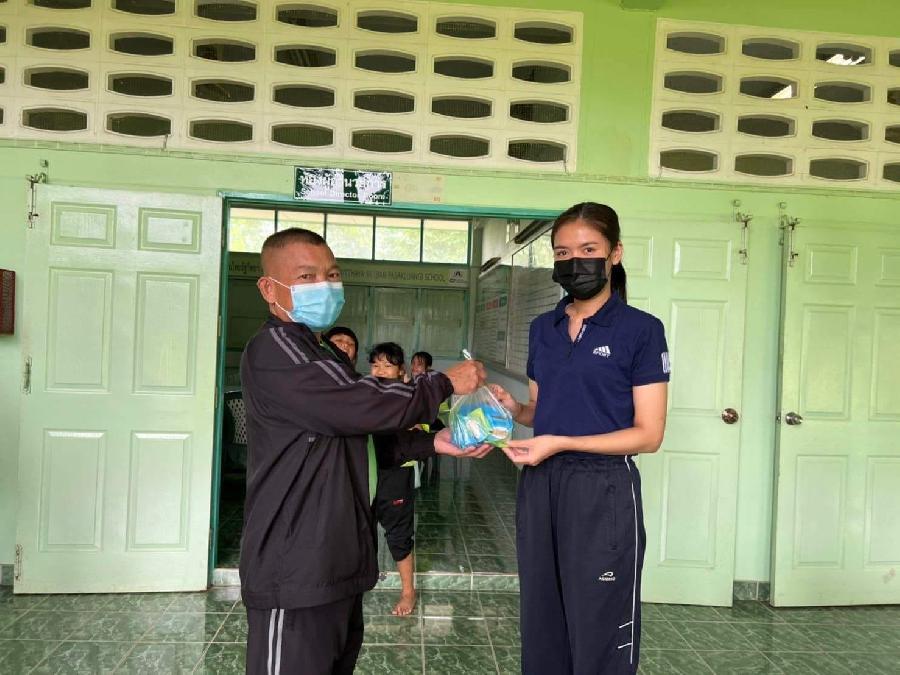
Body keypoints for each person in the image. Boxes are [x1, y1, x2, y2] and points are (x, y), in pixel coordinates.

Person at [240, 227, 490, 675]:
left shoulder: (320, 351)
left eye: (332, 274)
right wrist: (442, 383)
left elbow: (358, 438)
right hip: (294, 567)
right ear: (268, 288)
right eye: (306, 276)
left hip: (335, 560)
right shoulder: (275, 351)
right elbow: (359, 405)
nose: (324, 286)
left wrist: (433, 441)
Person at [490, 202, 670, 675]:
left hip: (603, 490)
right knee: (542, 616)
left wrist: (562, 443)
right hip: (541, 485)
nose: (575, 261)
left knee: (599, 622)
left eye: (589, 250)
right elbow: (542, 410)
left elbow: (649, 435)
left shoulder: (641, 331)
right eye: (563, 252)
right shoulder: (542, 329)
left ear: (615, 254)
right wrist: (514, 411)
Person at [368, 342, 421, 617]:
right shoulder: (364, 394)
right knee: (359, 529)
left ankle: (408, 592)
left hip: (396, 472)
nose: (380, 370)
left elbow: (425, 428)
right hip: (366, 471)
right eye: (376, 365)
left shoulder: (411, 397)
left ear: (401, 371)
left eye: (387, 365)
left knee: (399, 533)